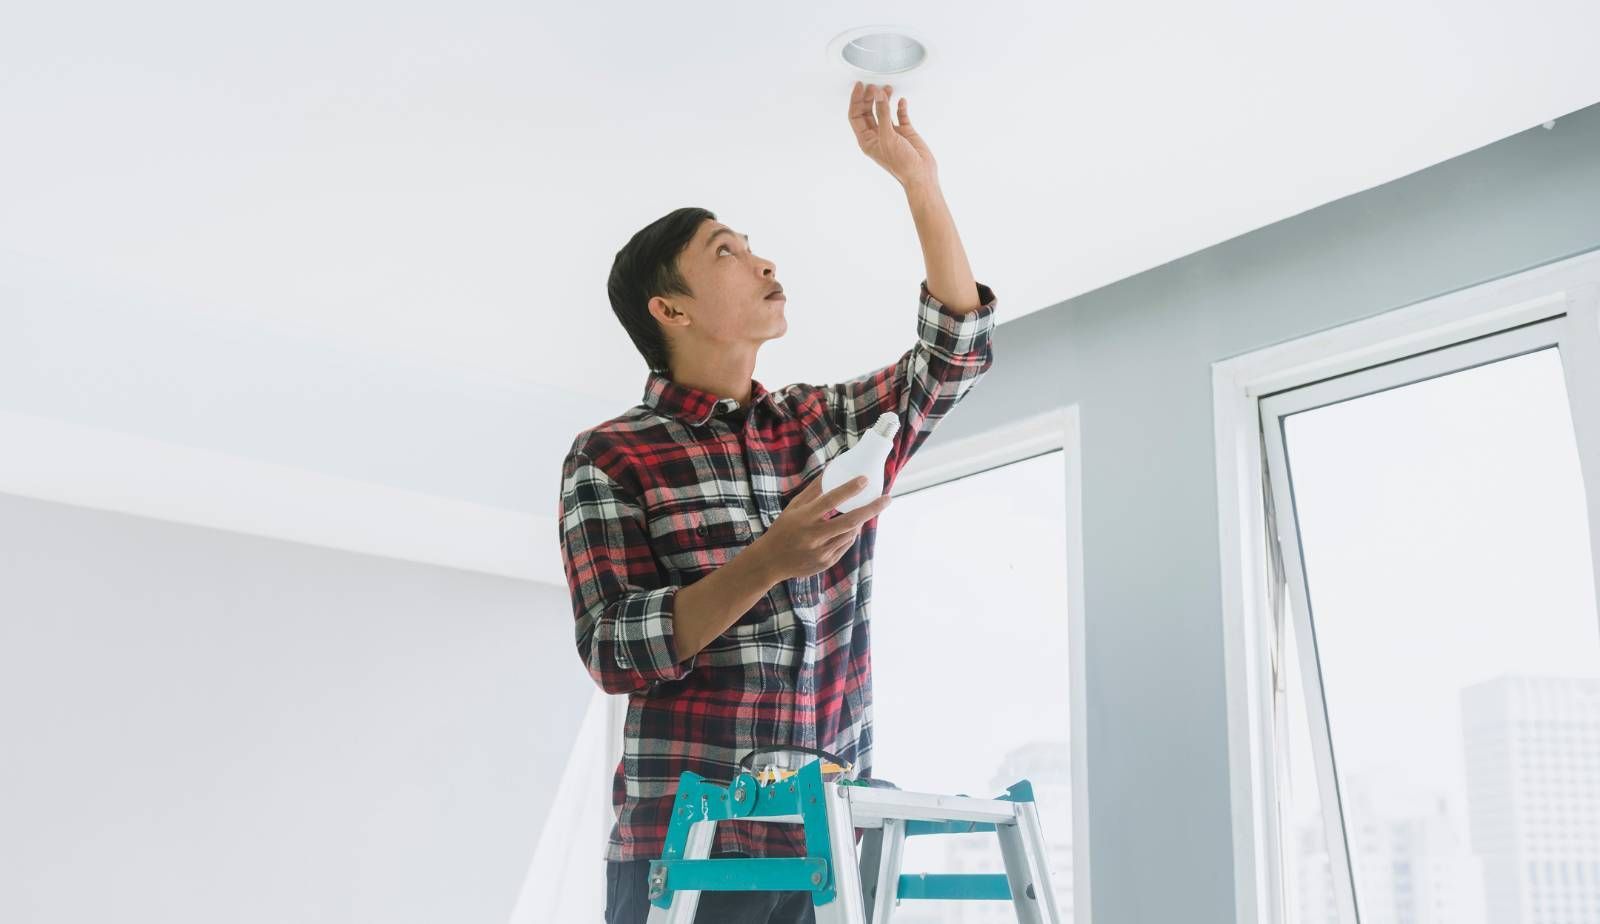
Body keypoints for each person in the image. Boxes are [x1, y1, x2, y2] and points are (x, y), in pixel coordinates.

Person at [559, 80, 998, 924]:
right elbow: (614, 649)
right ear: (669, 309)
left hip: (827, 841)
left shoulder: (819, 423)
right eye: (727, 252)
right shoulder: (612, 456)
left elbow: (955, 356)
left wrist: (920, 185)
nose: (764, 262)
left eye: (754, 246)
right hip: (687, 850)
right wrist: (769, 562)